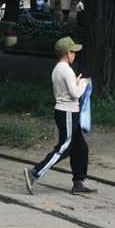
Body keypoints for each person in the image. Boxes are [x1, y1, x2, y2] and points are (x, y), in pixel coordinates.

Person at [24, 37, 97, 195]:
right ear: (67, 53)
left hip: (64, 111)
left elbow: (66, 89)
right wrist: (83, 83)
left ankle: (79, 182)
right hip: (68, 112)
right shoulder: (66, 70)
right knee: (64, 148)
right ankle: (34, 173)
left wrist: (76, 82)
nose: (75, 55)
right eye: (73, 52)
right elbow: (75, 93)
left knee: (81, 148)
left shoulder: (58, 68)